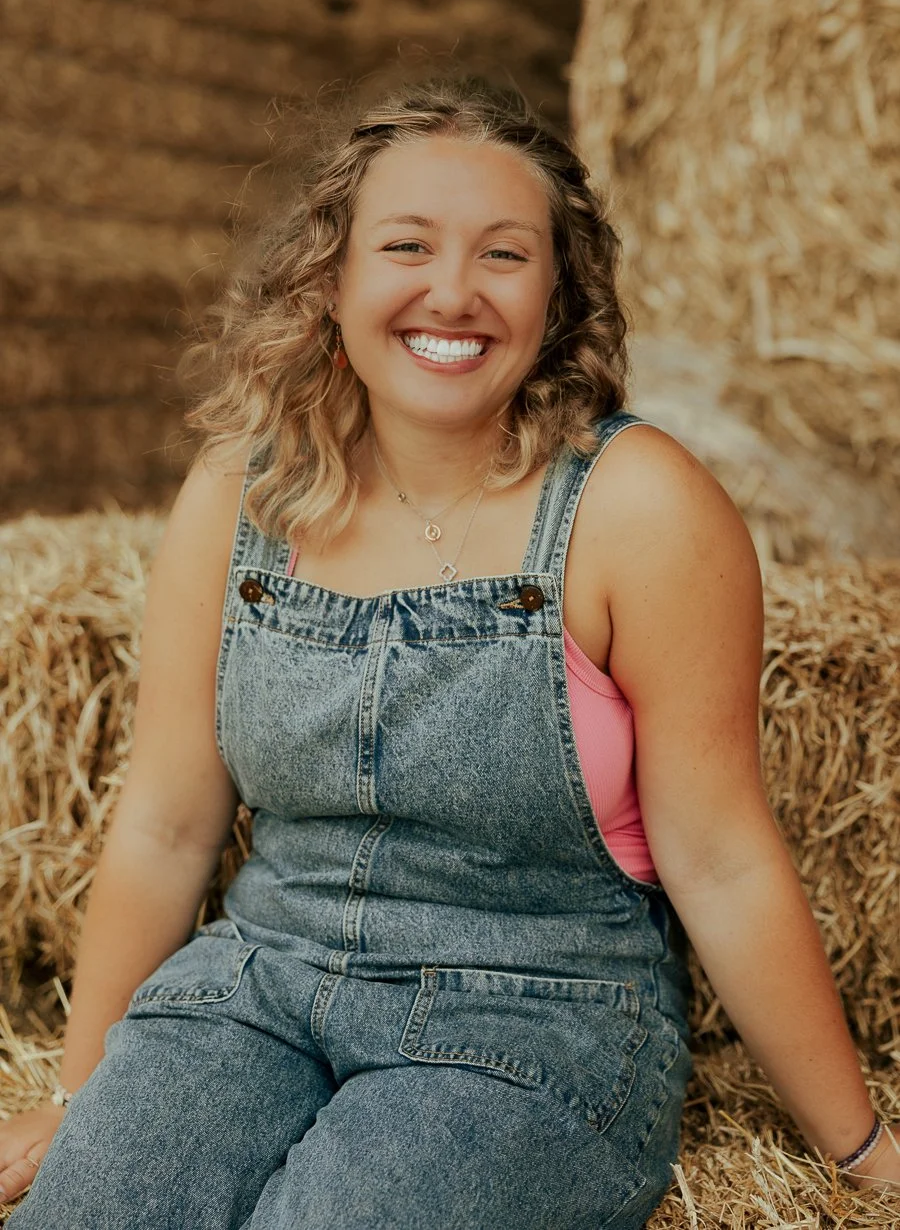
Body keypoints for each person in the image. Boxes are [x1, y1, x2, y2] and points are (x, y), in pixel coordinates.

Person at [1, 73, 897, 1229]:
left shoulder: (641, 510)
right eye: (408, 244)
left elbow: (721, 857)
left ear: (560, 294)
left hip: (534, 1019)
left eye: (505, 255)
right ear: (332, 279)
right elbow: (167, 825)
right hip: (257, 987)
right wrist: (82, 1098)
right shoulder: (239, 495)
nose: (454, 292)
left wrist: (867, 1151)